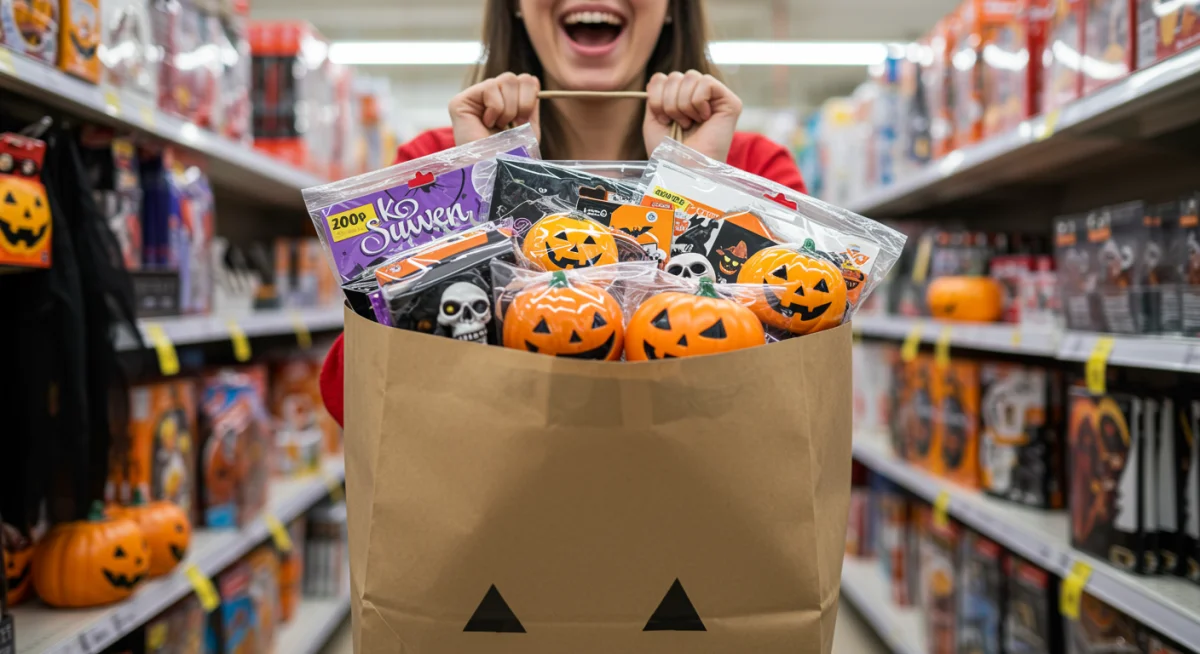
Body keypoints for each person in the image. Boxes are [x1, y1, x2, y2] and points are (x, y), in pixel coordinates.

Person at [319, 0, 808, 425]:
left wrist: (693, 184)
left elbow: (800, 401)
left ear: (672, 8)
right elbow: (354, 401)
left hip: (694, 520)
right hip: (496, 520)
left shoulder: (753, 168)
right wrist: (482, 193)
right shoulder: (438, 168)